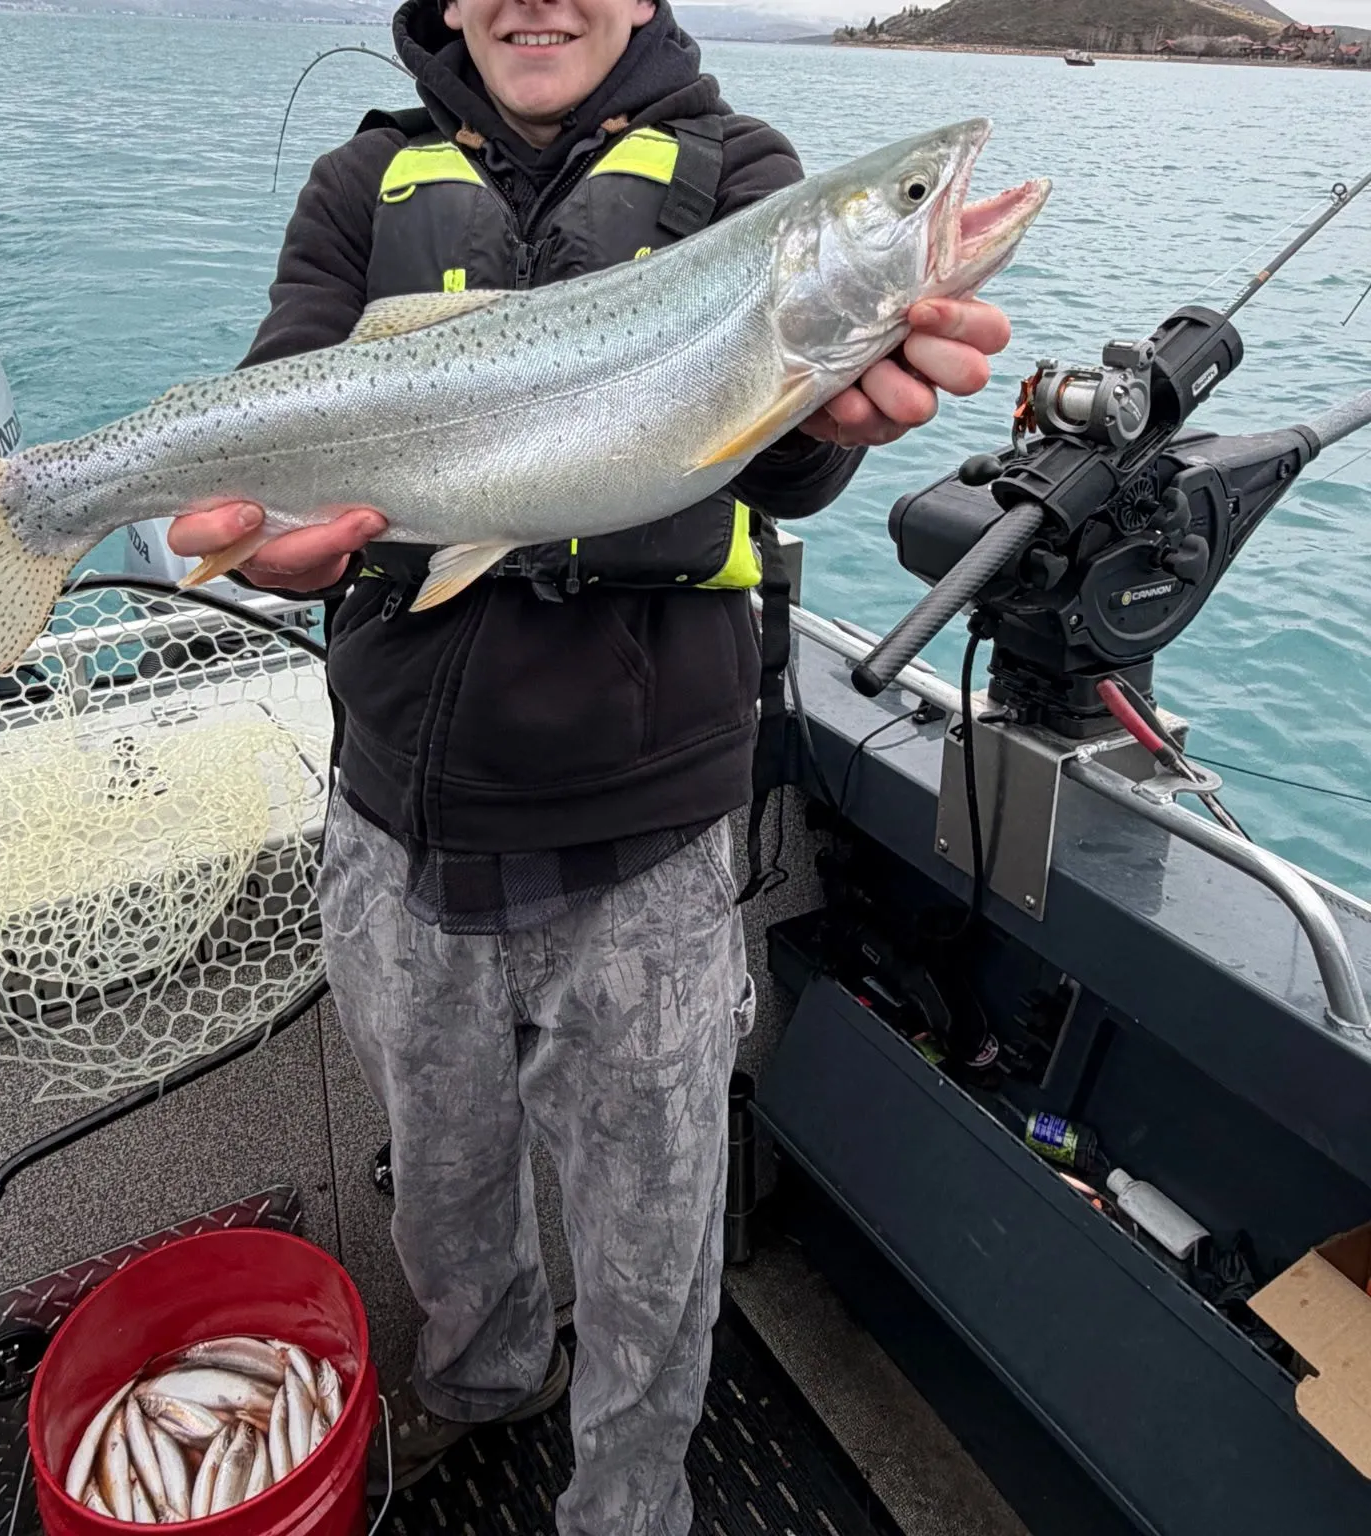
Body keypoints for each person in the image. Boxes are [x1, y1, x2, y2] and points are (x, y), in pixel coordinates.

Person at [168, 1, 1011, 1529]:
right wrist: (272, 551)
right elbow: (277, 425)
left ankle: (630, 1501)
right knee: (441, 1180)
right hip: (399, 820)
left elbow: (791, 451)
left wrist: (844, 404)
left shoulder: (740, 171)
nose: (536, 2)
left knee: (649, 1230)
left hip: (646, 842)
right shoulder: (362, 187)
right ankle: (483, 1391)